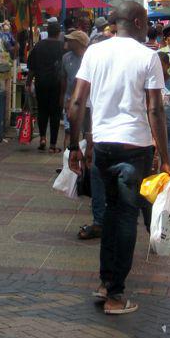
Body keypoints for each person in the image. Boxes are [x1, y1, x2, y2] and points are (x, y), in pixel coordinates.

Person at [67, 1, 170, 315]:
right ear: (138, 21)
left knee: (111, 214)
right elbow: (154, 109)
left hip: (103, 146)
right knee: (125, 218)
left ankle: (105, 282)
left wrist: (74, 147)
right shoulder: (148, 56)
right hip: (134, 148)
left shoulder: (95, 52)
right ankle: (115, 294)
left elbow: (76, 102)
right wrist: (165, 156)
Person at [64, 31, 101, 241]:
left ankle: (101, 222)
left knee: (99, 176)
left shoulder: (91, 68)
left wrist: (76, 145)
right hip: (111, 137)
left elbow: (78, 105)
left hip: (103, 138)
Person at [26, 21, 65, 152]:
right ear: (58, 33)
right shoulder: (63, 47)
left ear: (47, 31)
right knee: (55, 113)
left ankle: (42, 137)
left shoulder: (39, 46)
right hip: (57, 84)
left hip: (41, 82)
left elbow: (32, 67)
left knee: (42, 110)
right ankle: (53, 145)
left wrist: (28, 83)